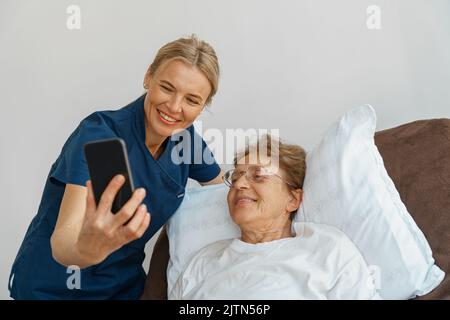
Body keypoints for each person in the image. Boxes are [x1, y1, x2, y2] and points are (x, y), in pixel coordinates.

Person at [9, 35, 223, 299]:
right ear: (148, 78)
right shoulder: (103, 138)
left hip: (122, 288)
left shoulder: (186, 143)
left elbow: (225, 193)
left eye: (192, 100)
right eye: (167, 88)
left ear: (203, 107)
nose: (175, 107)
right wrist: (87, 251)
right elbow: (63, 240)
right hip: (54, 288)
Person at [169, 136, 381, 300]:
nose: (239, 184)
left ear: (293, 199)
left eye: (258, 176)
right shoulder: (204, 262)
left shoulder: (327, 249)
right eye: (235, 177)